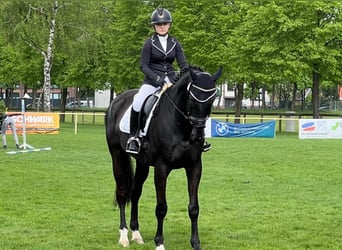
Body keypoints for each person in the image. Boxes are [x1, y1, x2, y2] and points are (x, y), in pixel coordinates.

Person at [126, 7, 211, 154]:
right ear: (154, 26)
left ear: (169, 25)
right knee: (138, 102)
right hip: (153, 81)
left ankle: (199, 137)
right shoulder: (149, 43)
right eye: (159, 24)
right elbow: (143, 66)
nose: (162, 26)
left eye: (165, 23)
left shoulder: (175, 43)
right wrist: (158, 79)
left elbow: (183, 63)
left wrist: (186, 74)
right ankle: (135, 137)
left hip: (172, 80)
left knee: (190, 102)